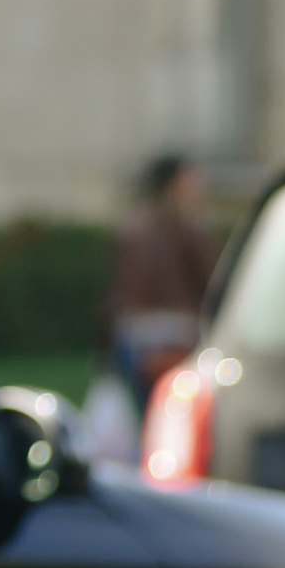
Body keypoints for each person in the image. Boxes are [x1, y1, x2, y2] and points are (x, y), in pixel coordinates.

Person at [102, 153, 220, 414]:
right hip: (179, 338)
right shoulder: (189, 229)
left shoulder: (131, 226)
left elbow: (116, 293)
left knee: (146, 413)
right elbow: (212, 288)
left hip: (132, 337)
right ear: (175, 185)